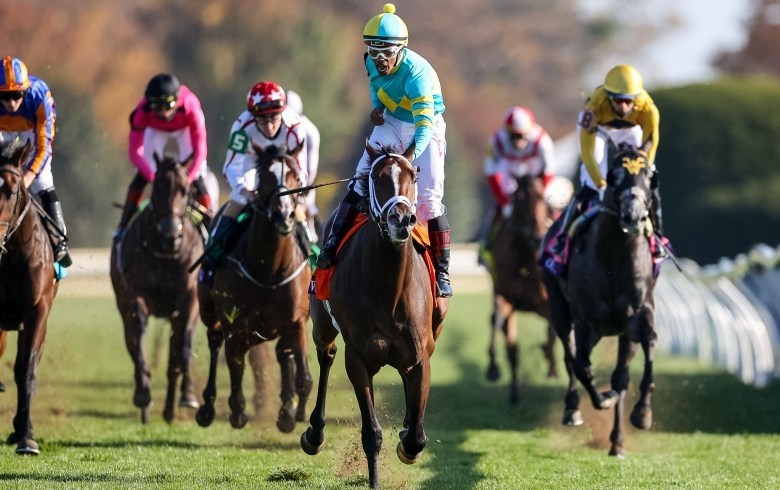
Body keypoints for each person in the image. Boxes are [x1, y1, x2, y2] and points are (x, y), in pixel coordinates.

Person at [316, 3, 453, 298]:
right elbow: (375, 85)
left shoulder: (417, 74)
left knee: (429, 201)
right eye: (374, 51)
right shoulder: (371, 60)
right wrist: (377, 108)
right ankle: (331, 246)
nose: (379, 59)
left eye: (386, 52)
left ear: (401, 49)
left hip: (424, 125)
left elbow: (424, 125)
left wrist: (408, 157)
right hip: (391, 120)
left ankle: (442, 272)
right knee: (359, 180)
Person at [199, 80, 308, 287]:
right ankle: (210, 263)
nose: (269, 126)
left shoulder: (295, 127)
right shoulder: (242, 128)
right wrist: (245, 191)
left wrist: (295, 191)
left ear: (282, 113)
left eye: (274, 118)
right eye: (262, 120)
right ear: (252, 116)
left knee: (300, 216)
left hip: (283, 170)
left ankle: (313, 258)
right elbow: (231, 167)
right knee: (237, 204)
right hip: (250, 164)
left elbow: (300, 168)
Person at [552, 63, 663, 256]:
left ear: (636, 98)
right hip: (599, 130)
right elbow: (587, 154)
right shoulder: (593, 108)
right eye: (617, 100)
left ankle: (658, 238)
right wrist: (600, 183)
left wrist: (642, 172)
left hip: (630, 131)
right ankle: (563, 237)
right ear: (608, 96)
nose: (623, 106)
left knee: (648, 181)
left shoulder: (649, 110)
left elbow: (650, 146)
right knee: (590, 185)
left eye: (628, 101)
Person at [114, 73, 212, 241]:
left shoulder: (190, 107)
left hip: (184, 131)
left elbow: (200, 152)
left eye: (168, 105)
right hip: (155, 131)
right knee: (140, 177)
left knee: (198, 177)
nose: (163, 112)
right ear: (150, 104)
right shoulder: (142, 112)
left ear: (177, 100)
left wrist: (188, 178)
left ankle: (210, 226)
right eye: (157, 107)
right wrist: (152, 176)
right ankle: (123, 226)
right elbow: (135, 153)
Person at [0, 56, 71, 267]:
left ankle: (59, 242)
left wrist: (27, 178)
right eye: (4, 96)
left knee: (42, 182)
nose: (12, 103)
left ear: (26, 91)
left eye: (17, 95)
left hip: (31, 131)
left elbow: (43, 147)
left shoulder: (40, 96)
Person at [479, 106, 556, 259]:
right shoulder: (496, 141)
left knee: (550, 207)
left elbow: (549, 170)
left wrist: (541, 193)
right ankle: (487, 242)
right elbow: (491, 174)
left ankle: (558, 240)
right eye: (513, 136)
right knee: (499, 210)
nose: (518, 141)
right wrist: (504, 202)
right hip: (509, 173)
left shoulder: (542, 140)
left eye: (521, 136)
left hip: (534, 173)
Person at [286, 89, 322, 243]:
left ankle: (312, 245)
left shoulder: (310, 131)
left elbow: (311, 167)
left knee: (309, 230)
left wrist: (302, 189)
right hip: (283, 183)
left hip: (301, 186)